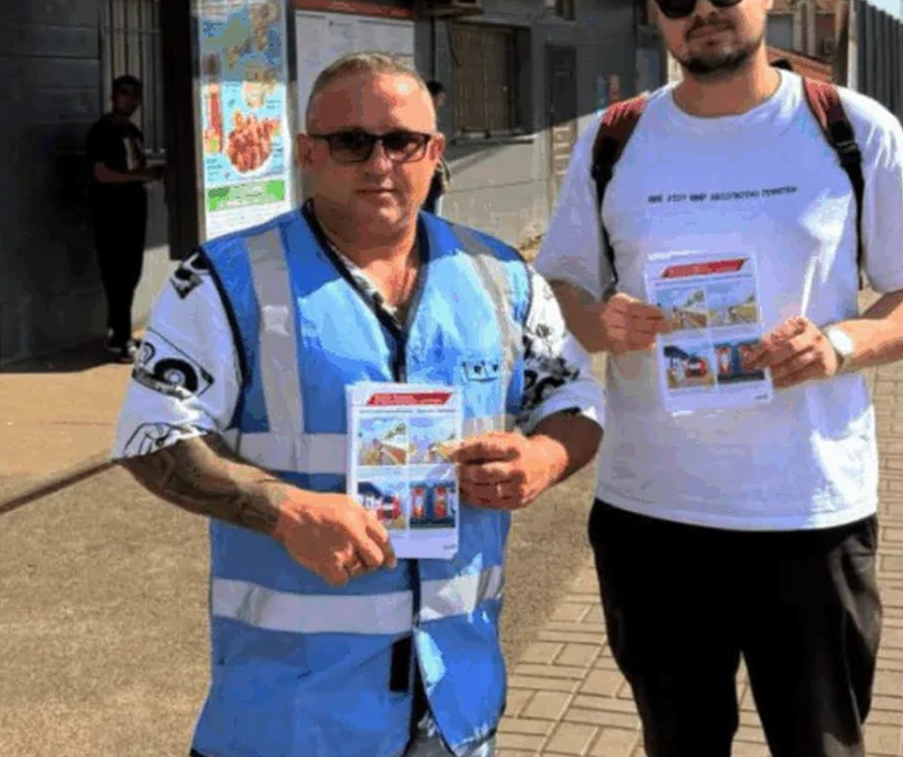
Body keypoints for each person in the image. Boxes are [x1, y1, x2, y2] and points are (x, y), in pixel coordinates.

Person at [535, 0, 903, 757]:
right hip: (652, 511)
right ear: (656, 13)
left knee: (821, 745)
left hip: (806, 512)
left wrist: (837, 345)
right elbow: (563, 285)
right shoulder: (613, 140)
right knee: (678, 743)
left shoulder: (851, 127)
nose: (703, 9)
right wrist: (600, 321)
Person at [111, 53, 606, 757]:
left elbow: (577, 395)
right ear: (308, 153)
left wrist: (544, 458)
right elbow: (152, 435)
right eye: (351, 142)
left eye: (402, 141)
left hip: (455, 706)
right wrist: (280, 509)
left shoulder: (501, 275)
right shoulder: (225, 280)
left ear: (434, 154)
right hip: (290, 717)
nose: (379, 161)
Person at [86, 75, 163, 362]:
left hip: (134, 210)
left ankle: (117, 331)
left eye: (136, 96)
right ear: (114, 96)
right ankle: (121, 337)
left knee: (130, 274)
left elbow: (135, 166)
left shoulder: (133, 131)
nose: (131, 101)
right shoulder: (102, 131)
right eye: (125, 94)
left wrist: (149, 174)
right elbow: (102, 173)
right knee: (116, 275)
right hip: (111, 213)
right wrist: (139, 176)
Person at [423, 80, 452, 214]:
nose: (441, 103)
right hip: (428, 177)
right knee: (432, 219)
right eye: (440, 98)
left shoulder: (427, 116)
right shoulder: (422, 118)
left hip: (430, 176)